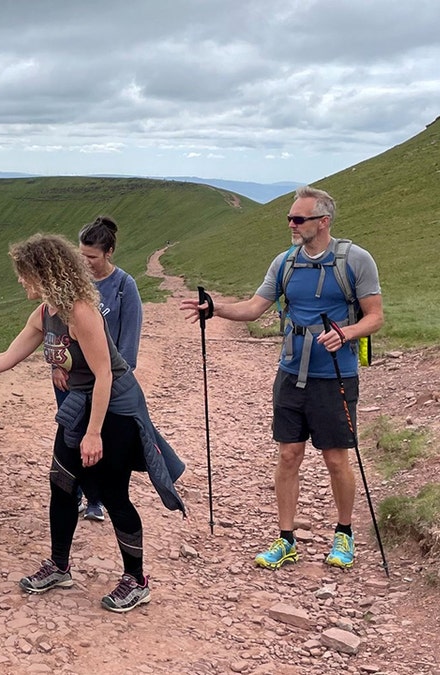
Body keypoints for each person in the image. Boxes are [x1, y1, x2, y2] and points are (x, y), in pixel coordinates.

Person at [0, 234, 185, 613]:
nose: (20, 281)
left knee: (113, 494)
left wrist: (94, 433)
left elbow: (105, 375)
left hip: (114, 409)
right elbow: (9, 357)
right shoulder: (46, 311)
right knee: (62, 484)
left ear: (45, 273)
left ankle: (137, 579)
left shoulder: (81, 311)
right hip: (81, 407)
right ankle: (60, 566)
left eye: (24, 274)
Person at [180, 185, 383, 570]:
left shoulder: (355, 260)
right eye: (290, 217)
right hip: (290, 372)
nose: (291, 224)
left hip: (336, 373)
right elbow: (256, 307)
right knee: (288, 454)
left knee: (336, 458)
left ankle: (344, 534)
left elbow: (375, 316)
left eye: (298, 218)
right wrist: (216, 309)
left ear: (323, 222)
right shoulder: (285, 263)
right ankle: (286, 539)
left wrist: (347, 334)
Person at [56, 216, 144, 523]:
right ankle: (75, 494)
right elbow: (58, 328)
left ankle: (99, 499)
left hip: (107, 381)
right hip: (70, 381)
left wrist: (113, 378)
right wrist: (56, 365)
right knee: (72, 436)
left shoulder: (124, 286)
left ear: (109, 253)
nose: (86, 262)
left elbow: (128, 342)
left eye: (92, 257)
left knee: (101, 438)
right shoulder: (72, 284)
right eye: (81, 255)